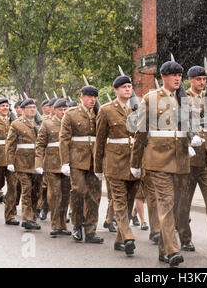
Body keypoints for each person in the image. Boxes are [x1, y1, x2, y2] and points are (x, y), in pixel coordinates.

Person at [130, 60, 202, 267]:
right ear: (163, 77)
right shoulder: (150, 98)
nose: (178, 78)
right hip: (158, 160)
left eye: (179, 75)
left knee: (177, 206)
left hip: (180, 160)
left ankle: (163, 250)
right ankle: (172, 251)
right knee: (166, 205)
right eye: (173, 75)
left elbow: (189, 125)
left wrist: (191, 139)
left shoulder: (185, 99)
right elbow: (141, 132)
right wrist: (136, 162)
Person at [178, 65, 207, 256]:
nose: (202, 82)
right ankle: (185, 238)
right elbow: (179, 122)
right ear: (190, 79)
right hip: (189, 159)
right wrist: (186, 143)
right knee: (183, 202)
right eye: (198, 79)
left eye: (204, 79)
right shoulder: (182, 98)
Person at [95, 75, 139, 255]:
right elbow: (100, 141)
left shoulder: (138, 109)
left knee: (129, 202)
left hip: (134, 162)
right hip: (114, 163)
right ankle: (128, 236)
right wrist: (98, 168)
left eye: (129, 86)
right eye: (124, 87)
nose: (128, 89)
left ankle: (120, 240)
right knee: (119, 201)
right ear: (116, 90)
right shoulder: (106, 110)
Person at [59, 85, 103, 244]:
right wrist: (64, 162)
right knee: (78, 191)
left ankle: (90, 229)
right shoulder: (71, 114)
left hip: (95, 160)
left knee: (94, 195)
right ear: (82, 97)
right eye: (89, 96)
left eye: (95, 97)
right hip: (77, 159)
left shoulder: (99, 113)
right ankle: (77, 225)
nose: (92, 100)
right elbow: (64, 139)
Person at [35, 98, 71, 237]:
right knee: (55, 195)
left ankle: (63, 223)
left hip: (67, 164)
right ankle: (55, 224)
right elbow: (40, 145)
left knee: (66, 195)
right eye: (61, 110)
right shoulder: (47, 122)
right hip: (52, 164)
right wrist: (38, 163)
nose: (63, 112)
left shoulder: (70, 123)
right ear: (55, 110)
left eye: (65, 109)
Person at [6, 98, 42, 230]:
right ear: (23, 110)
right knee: (26, 189)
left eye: (34, 107)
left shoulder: (40, 123)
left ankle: (32, 217)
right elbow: (10, 145)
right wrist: (10, 162)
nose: (32, 109)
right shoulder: (16, 124)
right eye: (29, 107)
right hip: (22, 162)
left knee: (36, 191)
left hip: (37, 162)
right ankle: (27, 218)